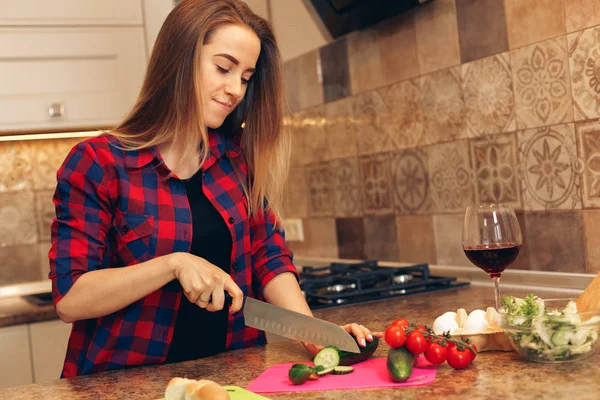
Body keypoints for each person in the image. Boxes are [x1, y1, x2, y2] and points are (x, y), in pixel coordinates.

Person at [49, 0, 380, 378]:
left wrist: (317, 336)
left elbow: (268, 259)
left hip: (231, 379)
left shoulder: (236, 163)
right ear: (180, 59)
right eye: (223, 68)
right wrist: (173, 264)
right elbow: (71, 298)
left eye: (245, 77)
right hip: (126, 384)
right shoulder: (99, 162)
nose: (236, 88)